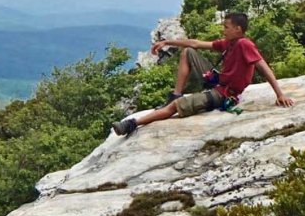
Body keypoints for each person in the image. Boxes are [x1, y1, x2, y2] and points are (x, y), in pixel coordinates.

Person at [112, 12, 294, 136]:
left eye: (227, 27)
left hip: (223, 95)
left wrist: (279, 94)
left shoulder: (244, 44)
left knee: (176, 106)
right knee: (188, 52)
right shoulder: (229, 43)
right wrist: (167, 41)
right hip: (218, 82)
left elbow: (263, 66)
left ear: (238, 29)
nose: (224, 30)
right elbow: (196, 44)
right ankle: (176, 93)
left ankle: (133, 124)